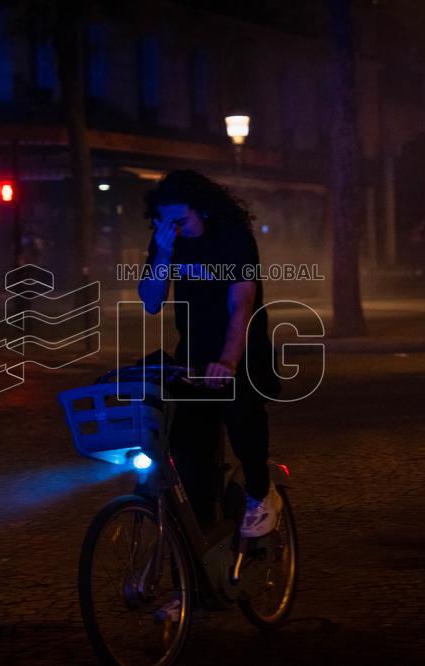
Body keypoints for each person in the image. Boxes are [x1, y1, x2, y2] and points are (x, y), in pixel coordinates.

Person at [138, 170, 282, 539]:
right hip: (194, 353)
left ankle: (260, 492)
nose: (174, 228)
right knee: (186, 450)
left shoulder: (232, 239)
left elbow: (242, 307)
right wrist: (164, 253)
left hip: (242, 350)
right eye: (165, 221)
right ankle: (198, 571)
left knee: (241, 412)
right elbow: (151, 302)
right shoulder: (168, 241)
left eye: (180, 220)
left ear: (202, 210)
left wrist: (229, 361)